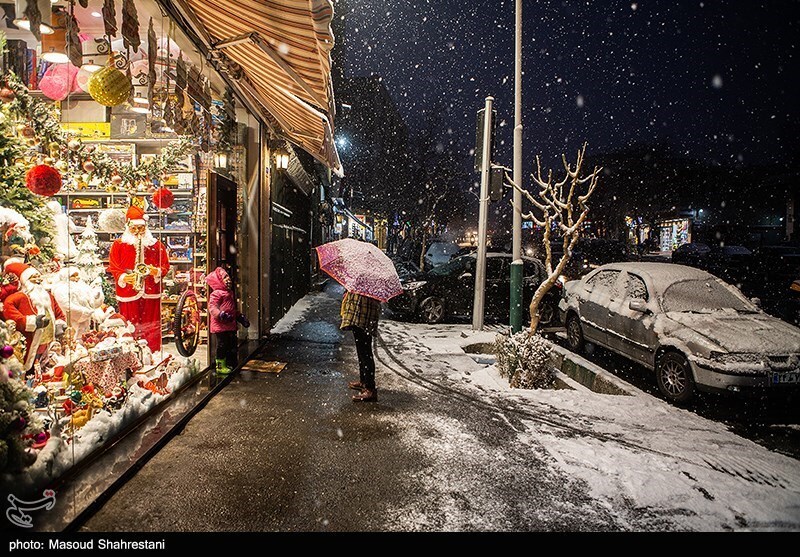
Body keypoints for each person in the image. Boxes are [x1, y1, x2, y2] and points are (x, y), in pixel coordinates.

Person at [107, 205, 170, 352]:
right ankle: (131, 353)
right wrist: (123, 277)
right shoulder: (118, 245)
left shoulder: (156, 245)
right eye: (134, 228)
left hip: (151, 291)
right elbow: (114, 265)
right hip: (128, 292)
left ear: (145, 227)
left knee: (152, 324)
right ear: (128, 226)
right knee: (129, 323)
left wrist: (156, 271)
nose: (137, 232)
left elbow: (165, 266)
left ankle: (153, 352)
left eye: (140, 228)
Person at [1, 262, 66, 377]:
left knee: (45, 366)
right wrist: (30, 322)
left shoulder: (47, 296)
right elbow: (8, 308)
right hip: (31, 340)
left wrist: (59, 324)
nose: (37, 279)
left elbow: (59, 313)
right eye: (33, 277)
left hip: (48, 343)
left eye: (37, 276)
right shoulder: (20, 297)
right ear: (26, 281)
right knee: (29, 366)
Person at [205, 266, 249, 375]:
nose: (228, 280)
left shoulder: (229, 293)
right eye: (225, 278)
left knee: (231, 344)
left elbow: (232, 310)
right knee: (222, 345)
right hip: (220, 326)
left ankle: (231, 363)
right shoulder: (216, 294)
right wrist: (221, 315)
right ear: (219, 281)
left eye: (228, 277)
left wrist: (240, 317)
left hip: (230, 325)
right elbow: (212, 308)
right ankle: (220, 365)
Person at [340, 290, 382, 402]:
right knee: (361, 351)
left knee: (366, 352)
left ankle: (370, 388)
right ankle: (363, 381)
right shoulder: (362, 283)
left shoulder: (371, 284)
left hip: (365, 319)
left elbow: (369, 302)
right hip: (359, 318)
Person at [50, 266, 104, 337]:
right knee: (73, 337)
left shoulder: (82, 286)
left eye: (77, 275)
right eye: (73, 276)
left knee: (84, 336)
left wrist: (97, 297)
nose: (77, 277)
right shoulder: (60, 289)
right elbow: (66, 305)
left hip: (85, 321)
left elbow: (91, 301)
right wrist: (83, 312)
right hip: (71, 321)